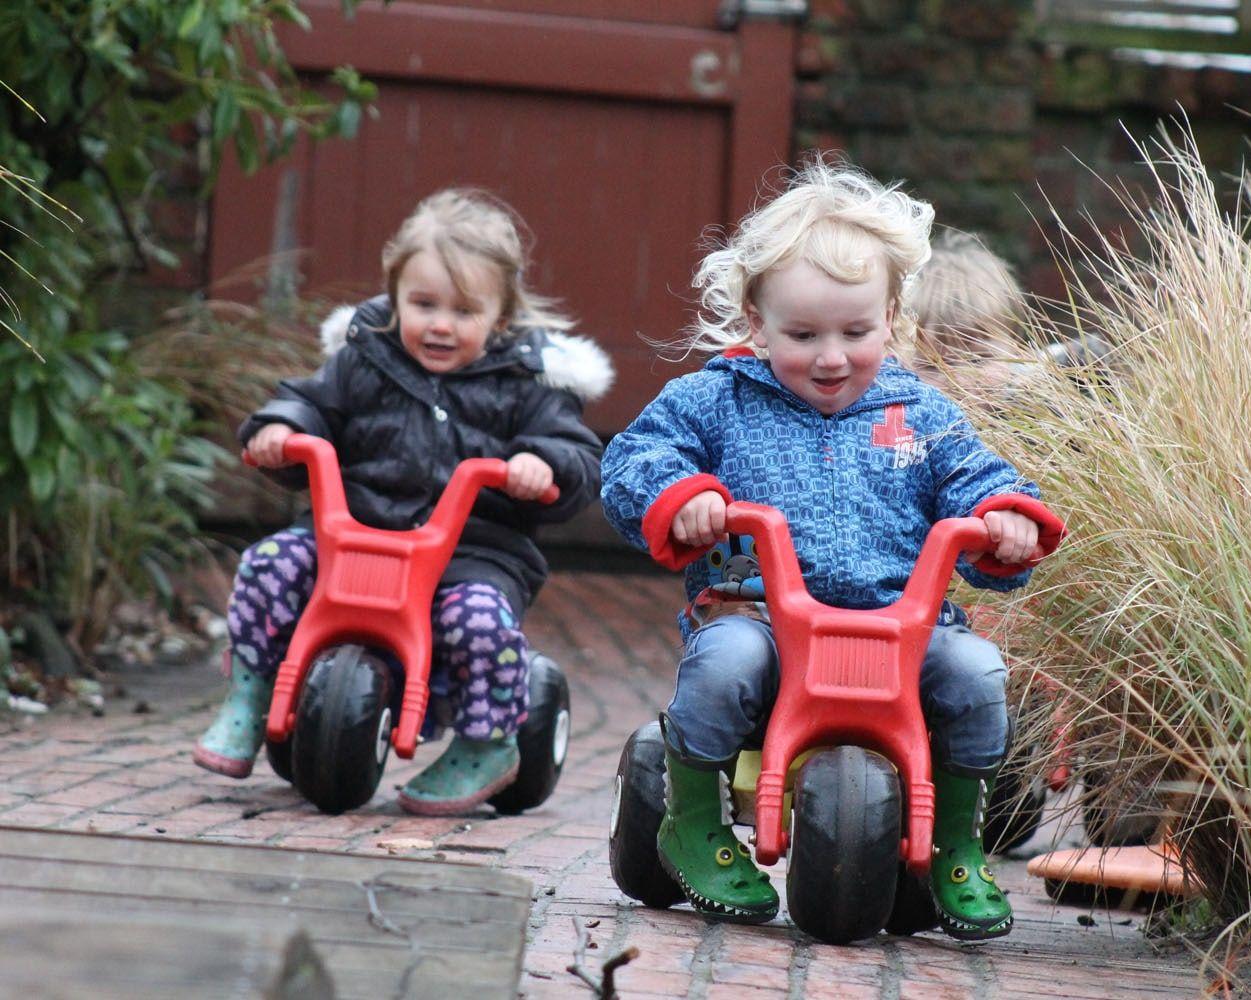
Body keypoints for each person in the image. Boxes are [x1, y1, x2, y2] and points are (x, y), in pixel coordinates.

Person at [600, 161, 1065, 937]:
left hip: (903, 629)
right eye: (802, 334)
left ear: (891, 317)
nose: (830, 356)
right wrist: (684, 499)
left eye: (856, 332)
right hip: (763, 621)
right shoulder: (718, 398)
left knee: (977, 673)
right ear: (756, 322)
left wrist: (1004, 518)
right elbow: (635, 458)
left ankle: (956, 843)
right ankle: (691, 822)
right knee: (721, 668)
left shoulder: (919, 409)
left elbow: (978, 476)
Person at [193, 188, 611, 816]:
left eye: (464, 311)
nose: (440, 324)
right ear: (394, 298)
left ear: (500, 318)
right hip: (350, 537)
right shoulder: (365, 357)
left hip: (470, 553)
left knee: (478, 622)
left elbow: (572, 452)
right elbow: (311, 402)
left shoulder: (527, 383)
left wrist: (540, 464)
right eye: (422, 304)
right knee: (270, 565)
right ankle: (252, 694)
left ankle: (488, 741)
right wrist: (282, 429)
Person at [905, 227, 1110, 398]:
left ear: (1016, 350)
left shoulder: (1033, 395)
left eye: (978, 359)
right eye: (933, 366)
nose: (960, 382)